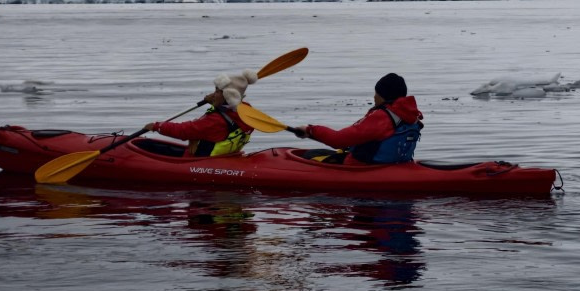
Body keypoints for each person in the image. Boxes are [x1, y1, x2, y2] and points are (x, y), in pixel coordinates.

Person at [289, 73, 424, 165]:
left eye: (376, 93)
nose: (374, 97)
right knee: (318, 153)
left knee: (308, 156)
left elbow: (337, 140)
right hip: (396, 165)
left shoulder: (382, 117)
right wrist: (311, 134)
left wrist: (310, 129)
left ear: (383, 95)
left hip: (361, 168)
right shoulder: (411, 116)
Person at [143, 70, 258, 157]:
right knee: (148, 143)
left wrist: (157, 126)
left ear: (228, 96)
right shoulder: (246, 111)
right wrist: (214, 102)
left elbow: (184, 131)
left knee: (146, 146)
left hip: (202, 159)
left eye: (217, 91)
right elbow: (227, 116)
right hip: (225, 156)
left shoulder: (214, 121)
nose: (213, 94)